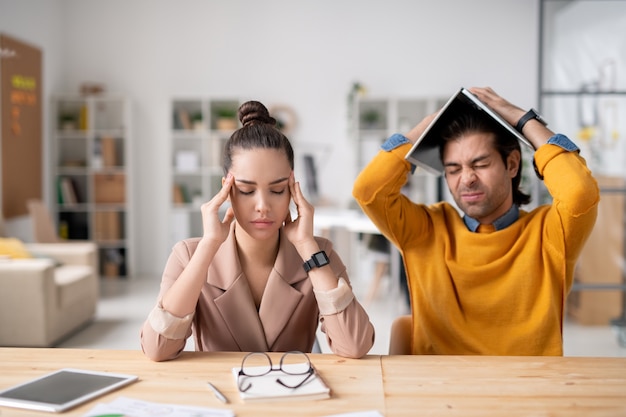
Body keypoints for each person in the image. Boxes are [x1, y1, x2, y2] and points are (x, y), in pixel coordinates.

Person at [353, 86, 599, 356]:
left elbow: (578, 192)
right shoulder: (426, 231)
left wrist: (522, 118)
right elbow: (368, 190)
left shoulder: (549, 234)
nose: (466, 179)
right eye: (453, 169)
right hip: (439, 389)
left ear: (512, 165)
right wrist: (428, 125)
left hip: (526, 390)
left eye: (480, 164)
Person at [142, 100, 374, 361]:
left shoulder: (319, 254)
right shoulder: (187, 254)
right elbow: (157, 348)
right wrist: (208, 247)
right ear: (226, 190)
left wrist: (307, 245)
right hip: (219, 397)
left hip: (293, 394)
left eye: (276, 190)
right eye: (246, 190)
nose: (262, 206)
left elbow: (355, 345)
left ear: (292, 190)